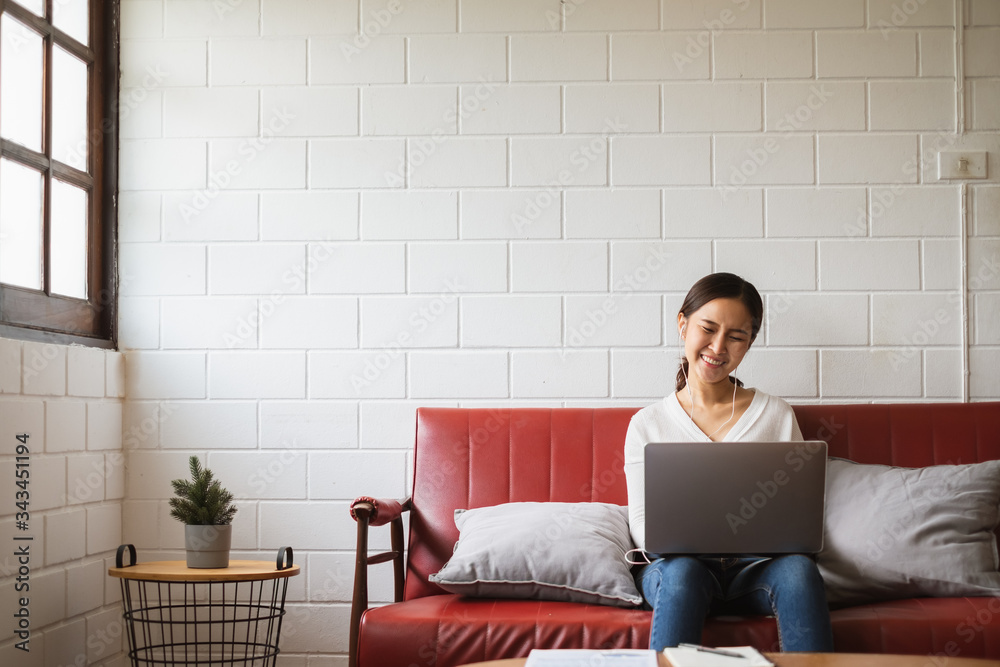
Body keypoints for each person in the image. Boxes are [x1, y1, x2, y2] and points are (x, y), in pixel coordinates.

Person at [624, 272, 833, 652]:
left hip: (754, 570)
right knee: (684, 572)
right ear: (683, 324)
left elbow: (802, 515)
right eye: (708, 328)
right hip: (677, 571)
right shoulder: (646, 424)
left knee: (800, 571)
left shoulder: (777, 415)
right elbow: (642, 524)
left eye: (736, 336)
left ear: (749, 343)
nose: (718, 347)